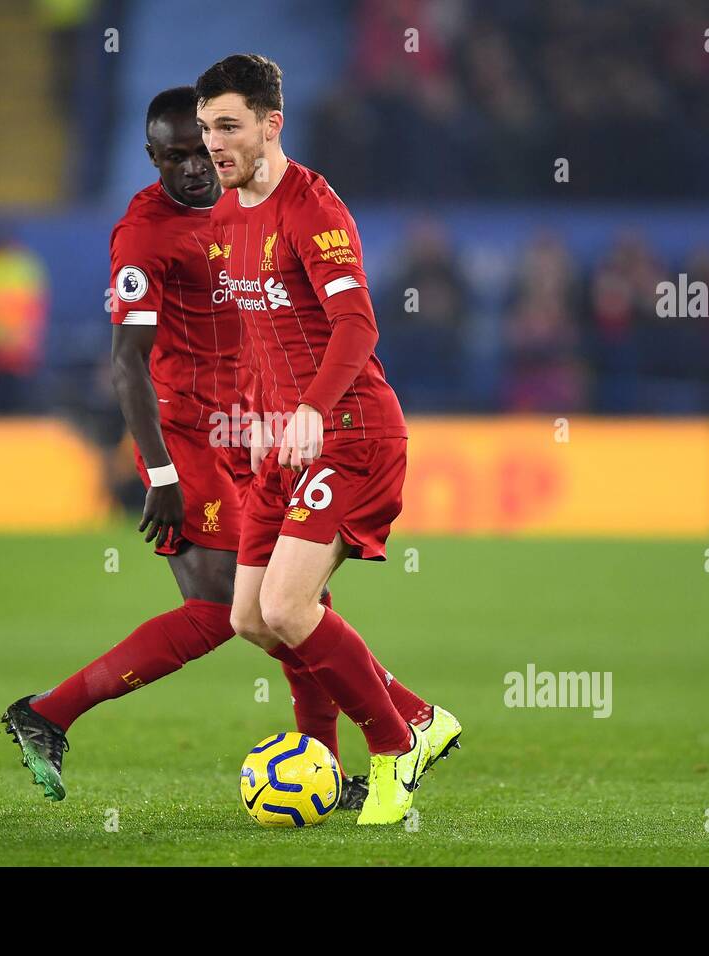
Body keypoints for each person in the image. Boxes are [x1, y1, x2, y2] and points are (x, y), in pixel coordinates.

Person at [1, 88, 428, 812]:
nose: (195, 168)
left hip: (255, 425)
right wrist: (160, 471)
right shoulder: (145, 234)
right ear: (153, 159)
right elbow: (126, 361)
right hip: (188, 437)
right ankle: (48, 712)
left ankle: (333, 757)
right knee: (227, 608)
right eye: (175, 158)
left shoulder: (250, 205)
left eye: (201, 150)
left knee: (292, 598)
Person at [196, 54, 460, 824]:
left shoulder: (312, 208)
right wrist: (251, 421)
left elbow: (356, 323)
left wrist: (311, 406)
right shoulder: (221, 218)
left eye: (229, 127)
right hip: (280, 443)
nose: (214, 144)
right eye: (207, 128)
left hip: (349, 432)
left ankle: (393, 743)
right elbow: (255, 335)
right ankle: (414, 713)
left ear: (271, 125)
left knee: (286, 604)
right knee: (249, 615)